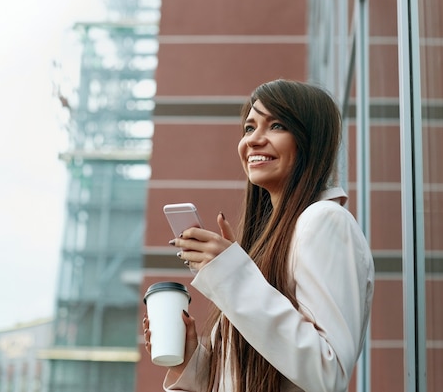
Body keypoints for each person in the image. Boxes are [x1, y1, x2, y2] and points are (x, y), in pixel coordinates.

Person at [142, 79, 374, 392]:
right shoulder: (263, 249)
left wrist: (231, 274)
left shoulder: (324, 221)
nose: (253, 140)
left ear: (310, 141)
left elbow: (326, 371)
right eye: (249, 128)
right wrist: (190, 363)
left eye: (276, 125)